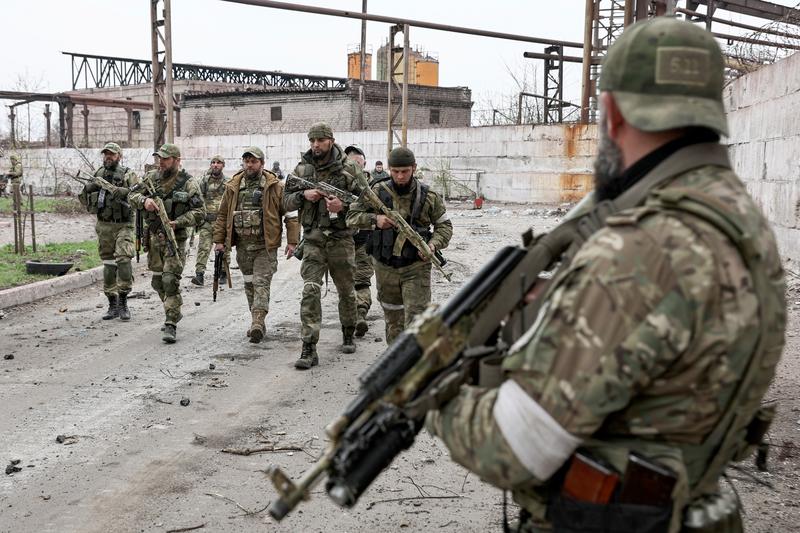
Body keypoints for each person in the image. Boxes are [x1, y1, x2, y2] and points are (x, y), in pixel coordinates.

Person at [425, 18, 786, 533]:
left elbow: (511, 449)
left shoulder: (641, 248)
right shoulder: (740, 220)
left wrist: (431, 396)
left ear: (613, 111)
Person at [347, 146, 452, 344]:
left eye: (405, 171)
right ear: (389, 169)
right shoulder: (376, 192)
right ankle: (394, 363)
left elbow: (444, 226)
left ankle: (414, 366)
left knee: (416, 321)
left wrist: (433, 245)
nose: (400, 176)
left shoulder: (429, 196)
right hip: (386, 267)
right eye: (395, 171)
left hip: (416, 267)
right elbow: (351, 217)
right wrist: (374, 219)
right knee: (393, 321)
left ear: (414, 168)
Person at [283, 122, 365, 369]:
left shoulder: (349, 169)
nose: (315, 145)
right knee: (310, 290)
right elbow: (285, 202)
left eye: (320, 140)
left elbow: (366, 205)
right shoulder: (302, 169)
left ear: (331, 140)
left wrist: (343, 207)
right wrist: (303, 196)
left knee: (346, 292)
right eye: (312, 141)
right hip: (314, 240)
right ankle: (309, 347)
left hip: (341, 238)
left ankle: (348, 331)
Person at [212, 147, 299, 343]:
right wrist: (219, 241)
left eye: (254, 161)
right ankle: (256, 319)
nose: (249, 165)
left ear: (262, 163)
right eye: (247, 161)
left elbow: (291, 215)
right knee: (250, 283)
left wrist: (293, 241)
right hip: (243, 246)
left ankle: (258, 322)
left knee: (261, 282)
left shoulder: (274, 186)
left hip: (265, 246)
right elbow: (223, 215)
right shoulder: (233, 185)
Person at [129, 143, 205, 344]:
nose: (161, 162)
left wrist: (177, 222)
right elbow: (131, 194)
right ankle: (173, 309)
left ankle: (171, 322)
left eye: (165, 158)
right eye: (159, 159)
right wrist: (144, 201)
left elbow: (200, 212)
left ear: (177, 160)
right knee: (157, 282)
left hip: (175, 239)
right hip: (154, 238)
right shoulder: (151, 178)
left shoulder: (189, 183)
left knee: (170, 280)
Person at [78, 142, 139, 321]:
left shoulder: (129, 174)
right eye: (105, 154)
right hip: (104, 225)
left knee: (124, 260)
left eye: (111, 154)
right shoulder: (98, 174)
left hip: (124, 225)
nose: (108, 157)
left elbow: (138, 195)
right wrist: (89, 189)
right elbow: (84, 200)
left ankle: (123, 301)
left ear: (119, 156)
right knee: (109, 264)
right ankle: (112, 304)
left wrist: (124, 192)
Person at [344, 145, 375, 337]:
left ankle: (360, 314)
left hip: (365, 242)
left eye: (358, 161)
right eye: (350, 162)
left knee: (362, 281)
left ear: (364, 163)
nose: (354, 165)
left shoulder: (375, 186)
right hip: (342, 244)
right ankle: (351, 318)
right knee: (346, 285)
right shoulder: (339, 185)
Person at [191, 155, 230, 286]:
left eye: (218, 163)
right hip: (207, 221)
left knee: (223, 248)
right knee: (203, 247)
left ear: (223, 165)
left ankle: (223, 272)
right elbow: (197, 197)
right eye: (213, 162)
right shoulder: (204, 181)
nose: (215, 165)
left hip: (221, 222)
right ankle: (199, 275)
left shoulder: (227, 183)